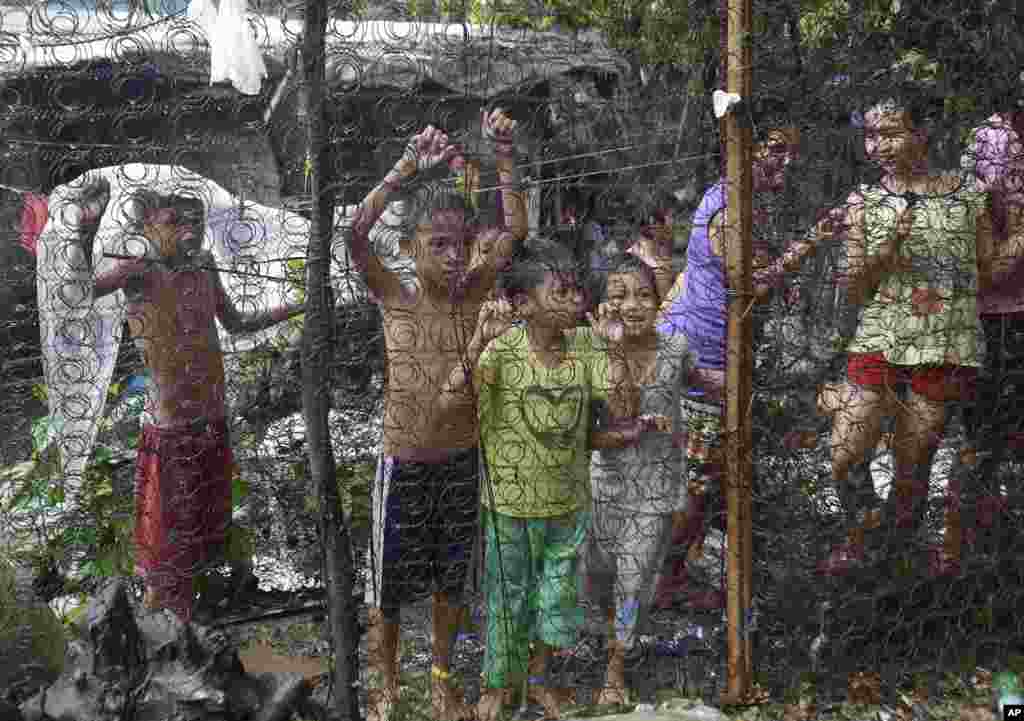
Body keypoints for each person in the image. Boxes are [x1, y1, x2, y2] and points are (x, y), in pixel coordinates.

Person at [350, 109, 525, 721]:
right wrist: (403, 168)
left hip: (460, 460)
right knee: (388, 588)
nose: (453, 257)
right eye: (438, 245)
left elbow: (515, 228)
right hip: (401, 464)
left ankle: (444, 676)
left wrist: (503, 155)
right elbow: (354, 232)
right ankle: (386, 680)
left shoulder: (477, 290)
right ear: (410, 248)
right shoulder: (395, 297)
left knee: (454, 580)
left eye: (461, 244)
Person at [439, 242, 655, 721]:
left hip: (567, 507)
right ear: (523, 305)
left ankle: (538, 679)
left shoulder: (586, 346)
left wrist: (615, 349)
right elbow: (448, 403)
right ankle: (497, 684)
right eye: (561, 291)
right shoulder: (503, 349)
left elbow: (623, 408)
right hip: (508, 508)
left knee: (556, 601)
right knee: (506, 598)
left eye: (578, 290)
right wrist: (478, 341)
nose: (577, 299)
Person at [823, 95, 1022, 574]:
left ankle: (890, 560)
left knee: (914, 469)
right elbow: (852, 287)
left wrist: (1019, 236)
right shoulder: (864, 202)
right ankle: (865, 528)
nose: (878, 147)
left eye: (890, 133)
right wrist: (886, 250)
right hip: (880, 338)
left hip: (945, 343)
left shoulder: (965, 196)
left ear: (922, 133)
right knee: (845, 453)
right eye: (871, 135)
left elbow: (988, 274)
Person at [92, 191, 304, 621]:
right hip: (171, 431)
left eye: (197, 221)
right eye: (175, 221)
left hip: (212, 422)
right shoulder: (140, 273)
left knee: (203, 538)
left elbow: (239, 323)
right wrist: (83, 232)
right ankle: (162, 635)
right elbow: (81, 291)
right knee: (166, 551)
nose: (189, 230)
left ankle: (195, 634)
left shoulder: (205, 266)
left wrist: (297, 305)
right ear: (147, 227)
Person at [652, 122, 809, 606]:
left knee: (705, 473)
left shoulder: (747, 203)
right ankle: (661, 581)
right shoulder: (727, 205)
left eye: (793, 153)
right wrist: (810, 245)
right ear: (744, 149)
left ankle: (676, 568)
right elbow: (751, 284)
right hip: (702, 352)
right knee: (698, 479)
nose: (787, 162)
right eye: (776, 149)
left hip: (712, 347)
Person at [586, 253, 693, 705]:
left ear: (660, 299)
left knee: (635, 579)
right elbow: (609, 416)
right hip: (604, 483)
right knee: (595, 576)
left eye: (644, 294)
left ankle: (616, 664)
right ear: (604, 305)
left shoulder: (676, 347)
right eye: (619, 296)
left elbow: (704, 383)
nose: (633, 304)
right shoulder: (591, 351)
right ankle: (603, 633)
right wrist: (610, 349)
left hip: (655, 487)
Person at [951, 109, 1024, 565]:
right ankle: (962, 549)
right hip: (1001, 314)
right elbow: (984, 264)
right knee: (983, 439)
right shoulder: (991, 139)